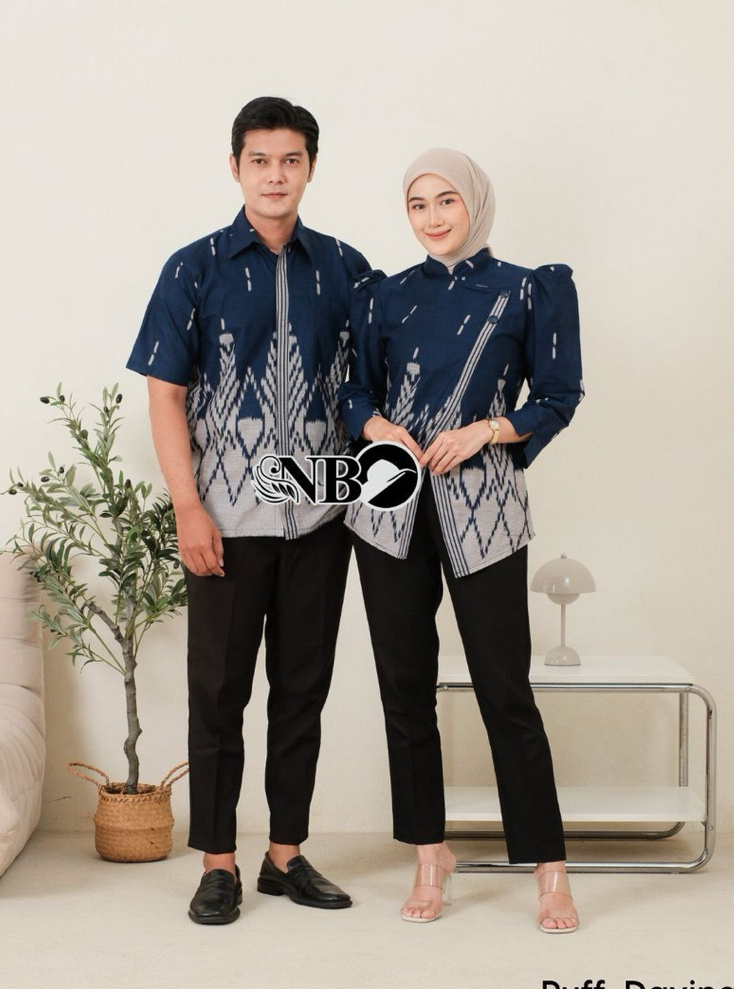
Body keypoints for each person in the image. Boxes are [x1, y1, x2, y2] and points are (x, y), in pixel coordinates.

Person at [127, 97, 369, 925]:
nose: (275, 175)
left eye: (290, 160)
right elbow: (165, 392)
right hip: (226, 521)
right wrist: (187, 506)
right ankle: (218, 862)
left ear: (310, 168)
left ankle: (285, 855)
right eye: (260, 160)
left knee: (302, 693)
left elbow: (370, 389)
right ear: (235, 167)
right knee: (218, 694)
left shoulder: (346, 269)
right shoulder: (192, 268)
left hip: (320, 519)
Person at [338, 148, 584, 931]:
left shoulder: (529, 289)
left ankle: (549, 867)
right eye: (418, 204)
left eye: (447, 200)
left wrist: (487, 430)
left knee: (505, 692)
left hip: (486, 511)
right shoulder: (383, 295)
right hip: (389, 513)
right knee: (404, 692)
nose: (433, 217)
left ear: (475, 202)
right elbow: (353, 391)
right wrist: (377, 427)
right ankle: (429, 854)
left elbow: (559, 394)